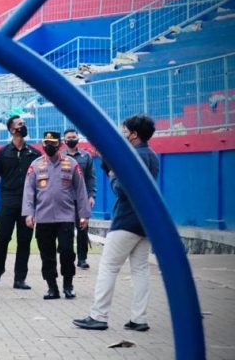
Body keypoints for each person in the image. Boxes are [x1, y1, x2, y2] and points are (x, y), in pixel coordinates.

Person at [74, 114, 160, 332]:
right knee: (140, 270)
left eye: (126, 129)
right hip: (146, 222)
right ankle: (139, 319)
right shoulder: (152, 155)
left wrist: (113, 174)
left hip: (126, 220)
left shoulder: (133, 157)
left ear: (134, 134)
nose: (124, 132)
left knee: (108, 267)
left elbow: (122, 189)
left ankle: (99, 315)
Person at [22, 131, 91, 300]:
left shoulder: (72, 163)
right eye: (46, 143)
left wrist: (84, 215)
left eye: (53, 144)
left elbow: (81, 190)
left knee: (67, 252)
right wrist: (29, 213)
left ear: (60, 145)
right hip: (43, 217)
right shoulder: (35, 165)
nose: (49, 147)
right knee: (47, 254)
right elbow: (29, 191)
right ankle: (52, 287)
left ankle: (68, 285)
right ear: (42, 145)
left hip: (66, 217)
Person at [0, 115, 41, 289]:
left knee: (24, 240)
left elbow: (40, 182)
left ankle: (20, 278)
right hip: (8, 201)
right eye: (19, 124)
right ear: (11, 130)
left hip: (28, 204)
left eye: (24, 124)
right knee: (2, 238)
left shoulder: (35, 154)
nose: (23, 126)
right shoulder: (2, 153)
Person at [63, 128, 97, 269]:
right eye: (69, 137)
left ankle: (82, 259)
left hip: (82, 199)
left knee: (82, 228)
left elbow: (91, 178)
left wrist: (91, 195)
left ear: (78, 138)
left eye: (74, 137)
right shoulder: (60, 156)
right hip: (64, 199)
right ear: (64, 141)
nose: (72, 139)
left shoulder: (86, 156)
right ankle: (68, 257)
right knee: (66, 230)